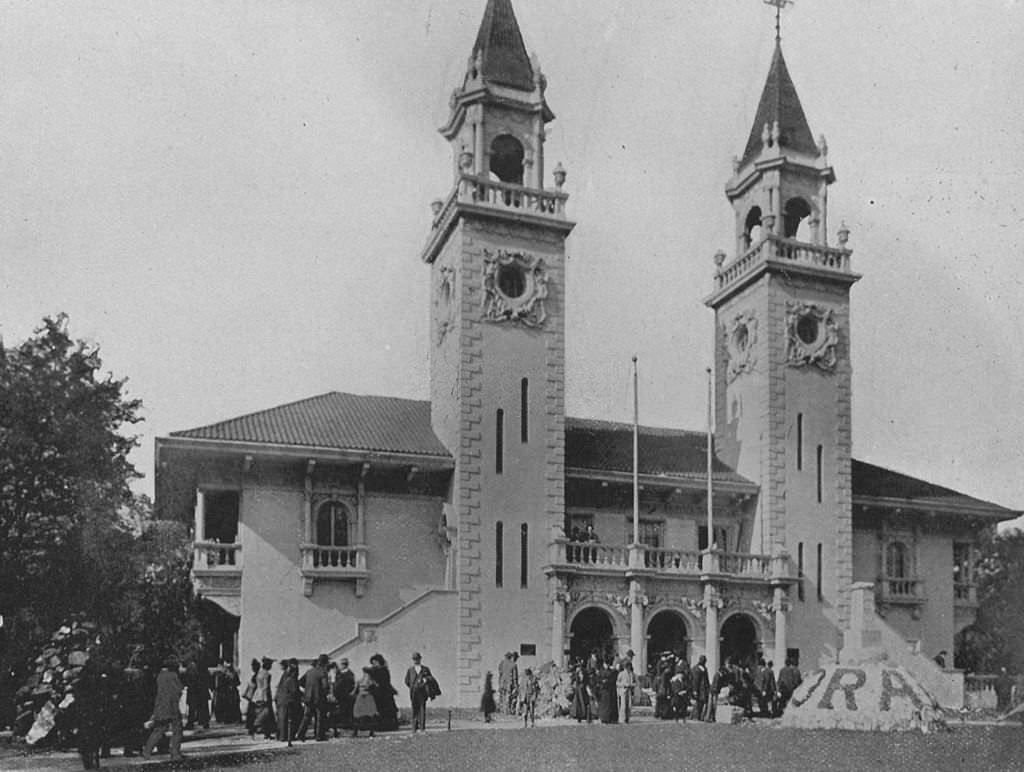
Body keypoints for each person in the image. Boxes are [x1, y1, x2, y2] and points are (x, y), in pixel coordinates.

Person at [142, 658, 184, 761]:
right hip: (172, 706)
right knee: (177, 729)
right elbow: (177, 690)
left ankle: (147, 750)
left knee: (159, 729)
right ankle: (175, 753)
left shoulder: (159, 676)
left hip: (160, 707)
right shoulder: (172, 676)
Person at [296, 654, 329, 742]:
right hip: (318, 698)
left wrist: (307, 689)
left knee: (306, 717)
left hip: (308, 697)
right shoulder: (323, 672)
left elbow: (300, 682)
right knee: (319, 717)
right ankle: (319, 736)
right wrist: (325, 693)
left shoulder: (309, 671)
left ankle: (300, 734)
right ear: (325, 662)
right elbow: (325, 686)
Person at [404, 652, 436, 733]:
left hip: (423, 692)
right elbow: (406, 681)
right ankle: (414, 728)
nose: (416, 660)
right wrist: (412, 687)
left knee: (422, 709)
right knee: (414, 709)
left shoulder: (425, 669)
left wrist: (426, 679)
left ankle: (422, 728)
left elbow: (431, 678)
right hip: (414, 692)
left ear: (420, 659)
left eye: (417, 659)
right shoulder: (410, 670)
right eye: (414, 659)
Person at [368, 654, 399, 731]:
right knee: (382, 710)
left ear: (379, 662)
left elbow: (383, 682)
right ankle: (385, 725)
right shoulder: (379, 670)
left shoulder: (383, 670)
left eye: (375, 662)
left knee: (386, 710)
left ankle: (387, 726)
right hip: (381, 693)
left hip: (384, 693)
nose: (373, 664)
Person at [274, 659, 300, 746]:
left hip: (280, 698)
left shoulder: (285, 675)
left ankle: (281, 736)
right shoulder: (291, 677)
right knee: (288, 717)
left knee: (281, 718)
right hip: (287, 700)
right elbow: (294, 690)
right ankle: (287, 736)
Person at [351, 666, 379, 738]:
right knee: (359, 714)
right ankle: (357, 732)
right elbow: (355, 690)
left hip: (367, 698)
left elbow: (354, 690)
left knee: (368, 714)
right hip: (363, 698)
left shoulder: (369, 680)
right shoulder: (363, 680)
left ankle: (369, 732)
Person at [184, 659, 211, 731]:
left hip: (194, 691)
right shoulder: (203, 668)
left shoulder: (190, 668)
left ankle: (191, 723)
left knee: (192, 708)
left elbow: (187, 679)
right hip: (201, 690)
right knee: (203, 707)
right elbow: (208, 678)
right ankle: (205, 723)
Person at [253, 657, 276, 739]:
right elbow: (266, 687)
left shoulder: (259, 672)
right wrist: (267, 698)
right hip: (264, 696)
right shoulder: (266, 674)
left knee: (260, 713)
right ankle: (258, 728)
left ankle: (264, 732)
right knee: (266, 715)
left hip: (257, 695)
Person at [333, 658, 356, 733]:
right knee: (342, 710)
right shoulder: (339, 673)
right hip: (340, 695)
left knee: (348, 710)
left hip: (347, 694)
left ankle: (348, 725)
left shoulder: (349, 674)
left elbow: (351, 684)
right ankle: (344, 724)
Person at [597, 658, 619, 724]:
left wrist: (605, 681)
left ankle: (609, 718)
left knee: (608, 706)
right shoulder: (603, 671)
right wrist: (602, 682)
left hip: (608, 691)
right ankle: (604, 718)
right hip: (604, 690)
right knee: (605, 705)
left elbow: (613, 680)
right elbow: (598, 679)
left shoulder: (612, 672)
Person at [243, 658, 260, 738]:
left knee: (252, 712)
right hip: (253, 696)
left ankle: (252, 728)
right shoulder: (256, 675)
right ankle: (252, 727)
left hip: (254, 696)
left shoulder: (256, 675)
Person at [692, 655, 710, 722]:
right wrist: (695, 690)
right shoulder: (697, 669)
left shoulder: (703, 668)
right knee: (698, 703)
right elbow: (695, 680)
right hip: (700, 689)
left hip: (703, 689)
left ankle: (699, 716)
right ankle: (696, 716)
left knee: (701, 703)